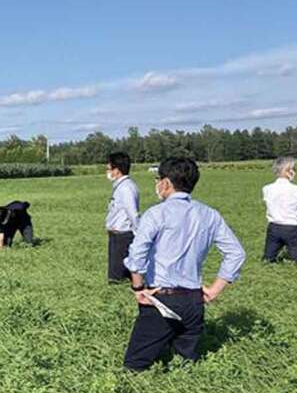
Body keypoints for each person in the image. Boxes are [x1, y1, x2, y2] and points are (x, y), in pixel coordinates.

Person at [122, 157, 246, 371]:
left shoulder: (156, 213)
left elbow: (137, 255)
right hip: (193, 301)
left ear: (166, 183)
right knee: (186, 364)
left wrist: (138, 288)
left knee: (135, 365)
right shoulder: (210, 214)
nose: (157, 184)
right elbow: (236, 253)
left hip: (161, 299)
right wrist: (215, 290)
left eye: (158, 179)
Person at [262, 156, 297, 264]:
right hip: (292, 228)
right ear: (290, 171)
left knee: (268, 258)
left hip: (273, 227)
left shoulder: (266, 188)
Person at [105, 151, 140, 282]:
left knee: (117, 278)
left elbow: (133, 213)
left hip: (123, 236)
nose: (107, 172)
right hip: (116, 235)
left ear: (117, 170)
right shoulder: (121, 186)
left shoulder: (126, 188)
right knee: (117, 275)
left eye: (109, 169)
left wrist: (138, 234)